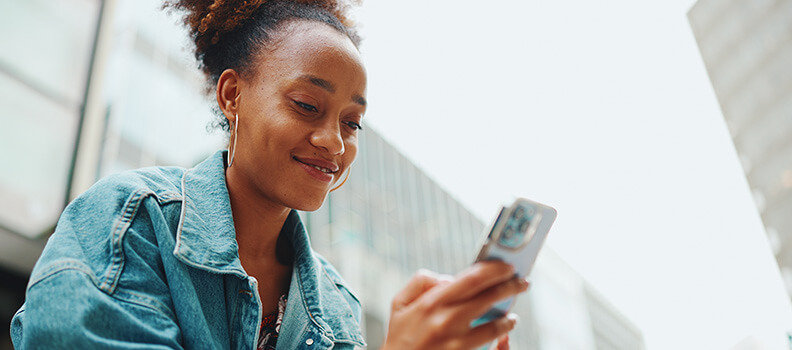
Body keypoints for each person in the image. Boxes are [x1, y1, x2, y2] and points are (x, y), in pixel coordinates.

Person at [10, 0, 529, 348]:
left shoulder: (337, 309)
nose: (334, 142)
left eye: (352, 123)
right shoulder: (132, 221)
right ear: (232, 94)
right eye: (307, 105)